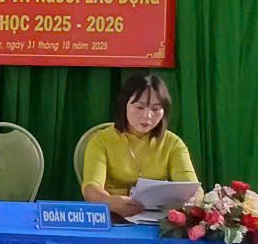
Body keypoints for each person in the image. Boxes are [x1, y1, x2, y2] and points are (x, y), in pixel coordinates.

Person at [81, 74, 198, 219]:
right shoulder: (101, 140)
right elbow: (91, 189)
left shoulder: (172, 143)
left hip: (160, 220)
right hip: (112, 217)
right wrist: (111, 202)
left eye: (156, 109)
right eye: (139, 107)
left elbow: (193, 189)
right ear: (124, 105)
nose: (147, 116)